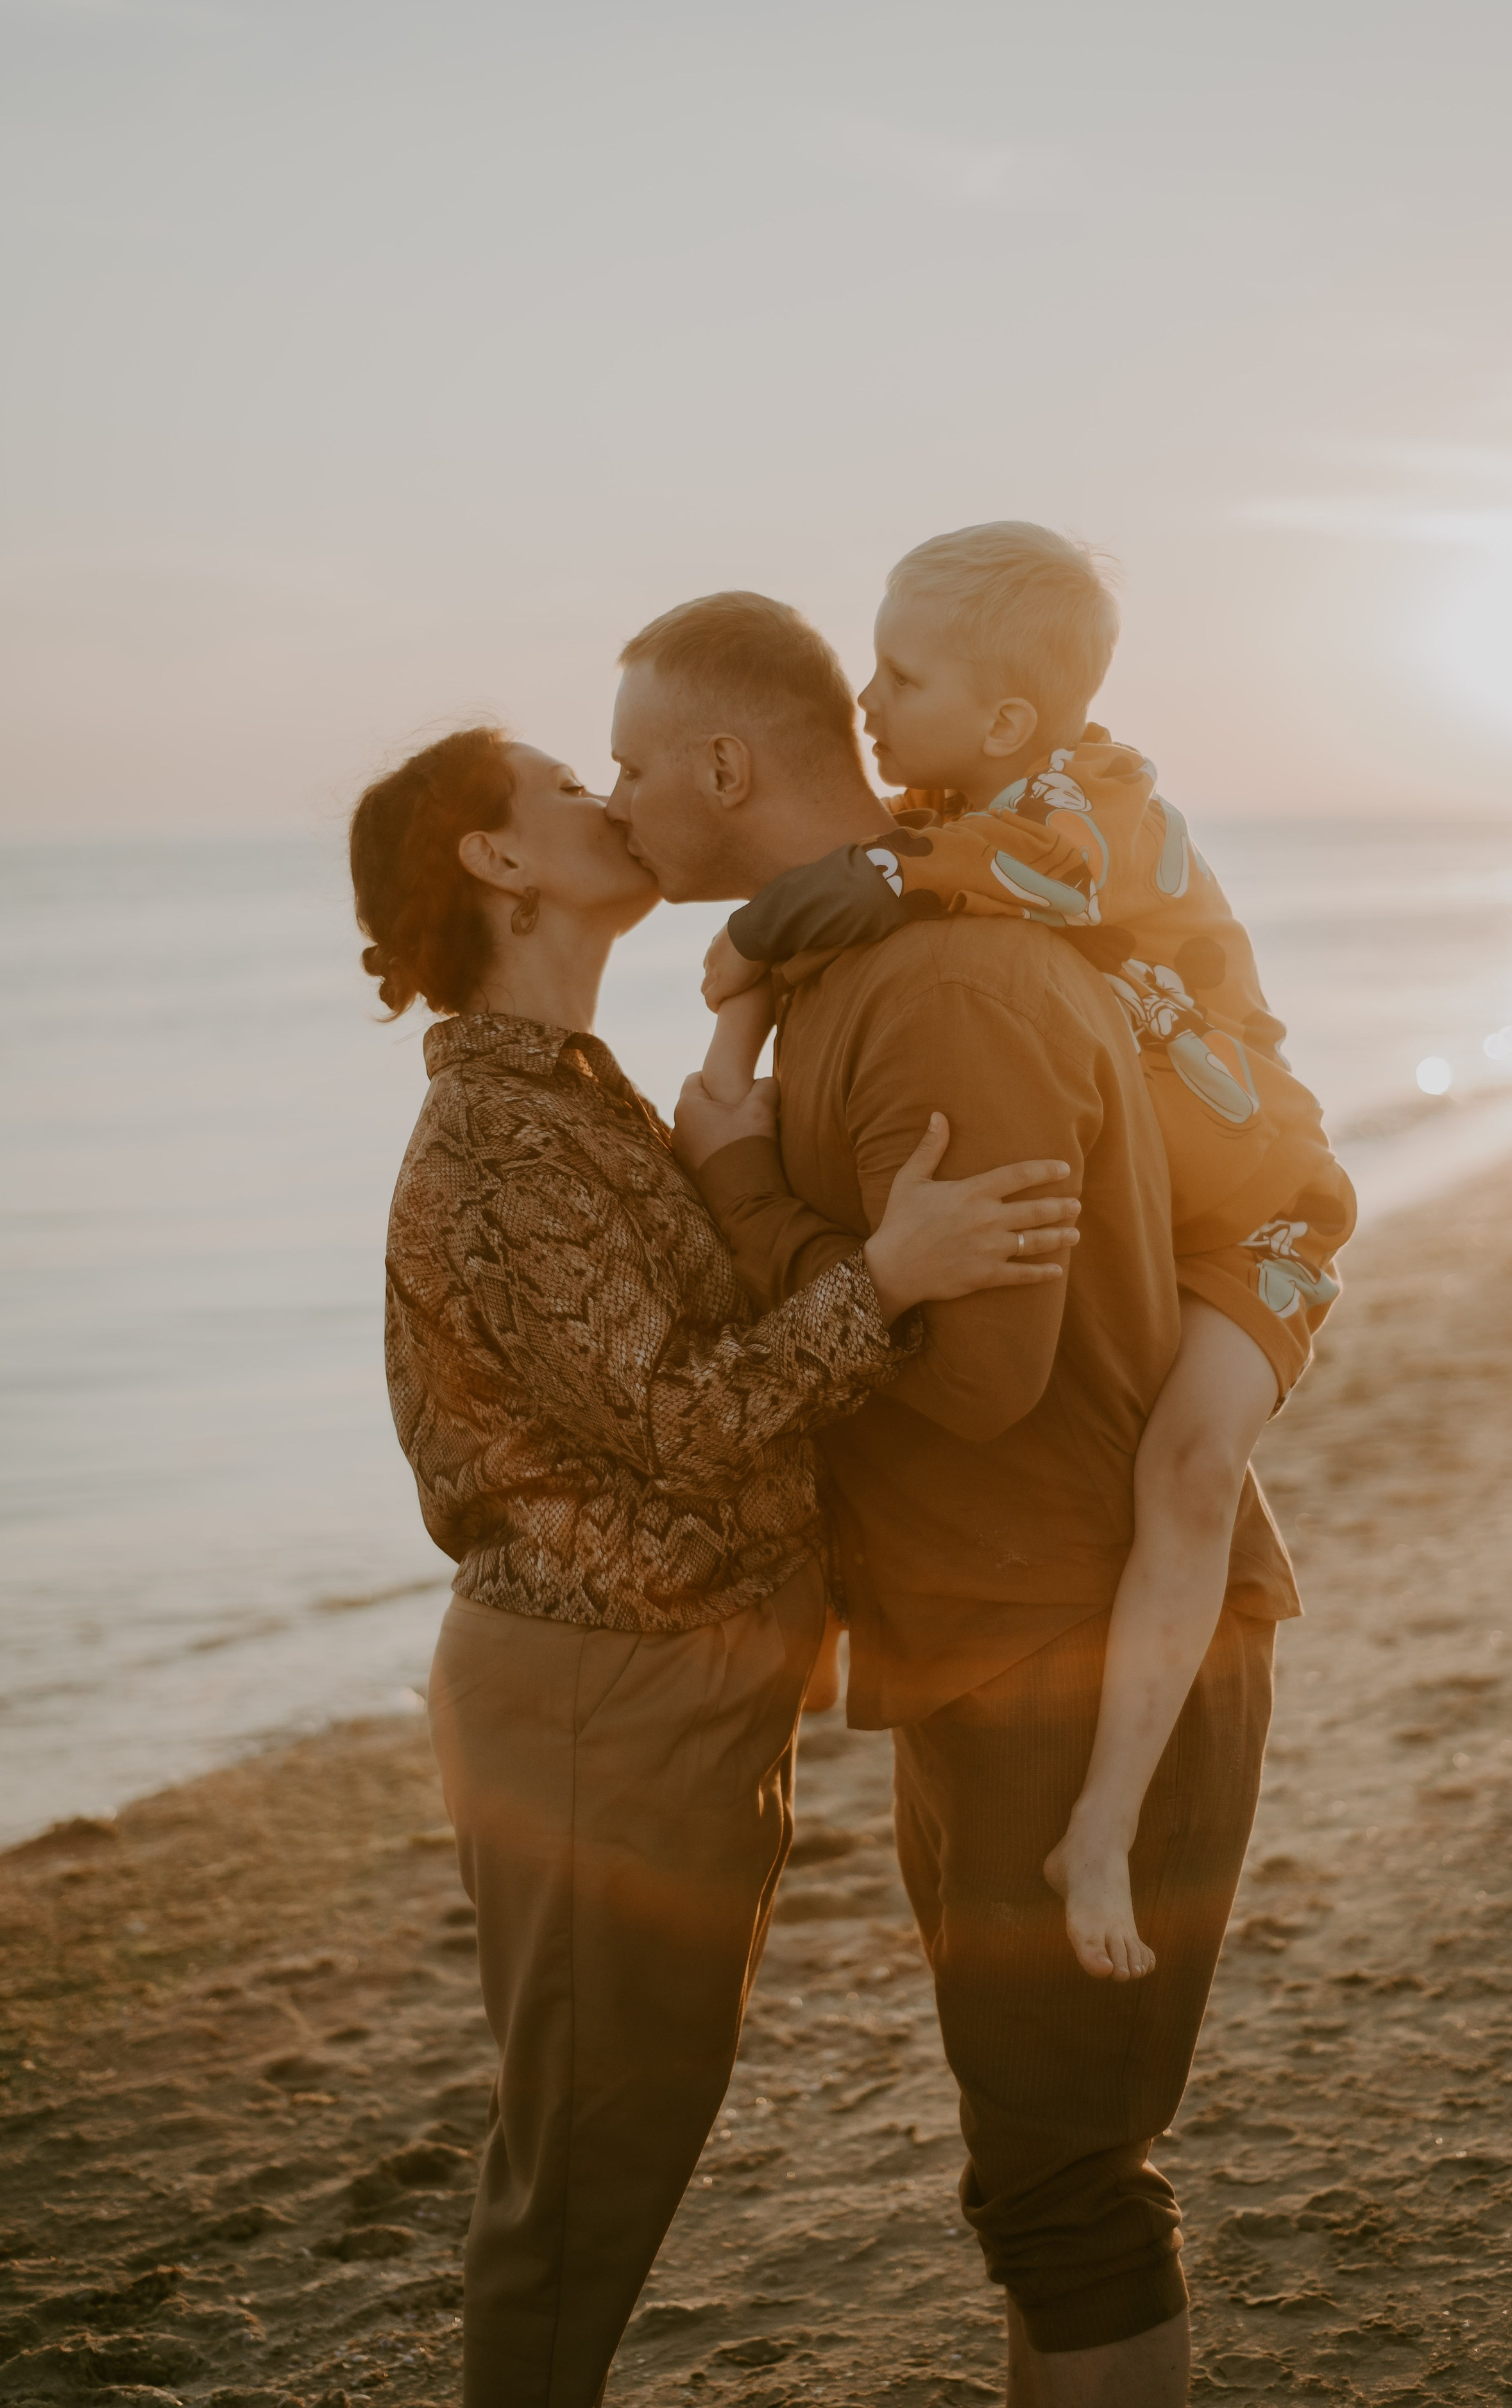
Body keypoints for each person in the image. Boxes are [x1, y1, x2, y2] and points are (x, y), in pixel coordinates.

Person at [608, 591, 1302, 2408]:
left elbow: (982, 1375)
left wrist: (741, 1187)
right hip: (992, 1637)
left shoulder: (947, 984)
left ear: (723, 765)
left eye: (629, 766)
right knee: (1036, 2181)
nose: (615, 802)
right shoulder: (861, 955)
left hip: (1073, 1651)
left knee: (1066, 2191)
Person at [348, 725, 1083, 2408]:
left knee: (627, 2129)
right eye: (564, 783)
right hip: (600, 1702)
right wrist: (890, 1275)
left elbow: (690, 1347)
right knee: (583, 2175)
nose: (608, 798)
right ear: (497, 862)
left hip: (670, 1686)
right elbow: (687, 1418)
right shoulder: (498, 1138)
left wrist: (744, 1020)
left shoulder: (571, 1092)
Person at [694, 521, 1355, 1983]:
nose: (866, 701)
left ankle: (1103, 1823)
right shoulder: (953, 808)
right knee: (1161, 1462)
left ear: (1004, 719)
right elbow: (879, 872)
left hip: (1264, 1216)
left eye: (898, 675)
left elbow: (915, 881)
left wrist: (768, 926)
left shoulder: (1091, 814)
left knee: (1188, 1471)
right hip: (1172, 1209)